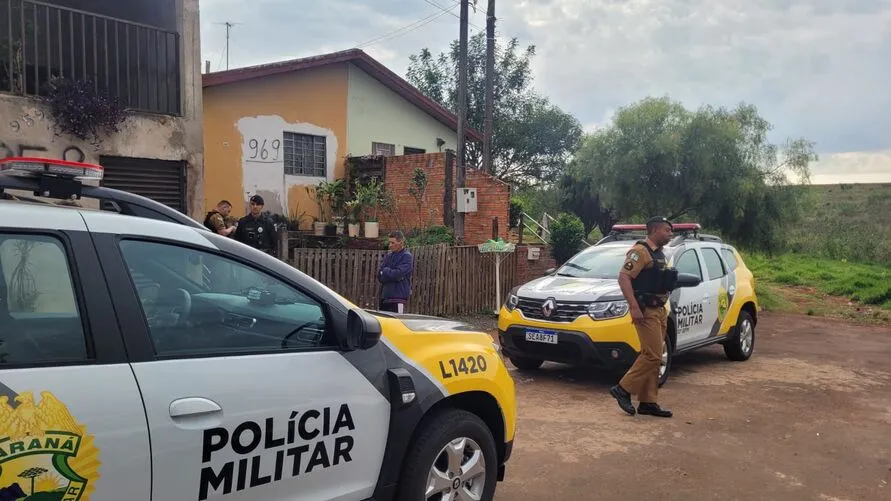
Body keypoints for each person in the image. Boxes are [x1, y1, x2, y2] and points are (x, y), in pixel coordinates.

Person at [609, 216, 676, 418]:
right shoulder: (640, 252)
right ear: (655, 230)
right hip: (645, 310)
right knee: (652, 355)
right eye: (666, 230)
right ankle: (623, 389)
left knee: (654, 357)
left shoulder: (659, 254)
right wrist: (634, 306)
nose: (670, 234)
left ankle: (648, 402)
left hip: (659, 309)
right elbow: (624, 278)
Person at [378, 231, 413, 313]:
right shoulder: (389, 256)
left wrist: (385, 271)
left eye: (393, 243)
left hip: (397, 299)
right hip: (385, 298)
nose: (390, 245)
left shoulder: (406, 256)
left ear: (401, 243)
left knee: (396, 323)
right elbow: (379, 276)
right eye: (389, 242)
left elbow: (397, 274)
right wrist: (387, 274)